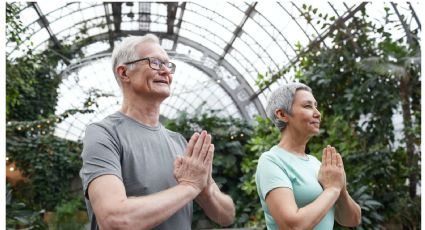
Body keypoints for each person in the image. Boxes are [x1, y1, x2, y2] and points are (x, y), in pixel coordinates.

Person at [80, 34, 235, 230]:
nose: (165, 71)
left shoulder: (179, 142)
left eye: (168, 65)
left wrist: (205, 191)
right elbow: (115, 220)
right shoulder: (104, 133)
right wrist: (189, 187)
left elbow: (226, 215)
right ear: (124, 73)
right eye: (154, 62)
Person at [255, 82, 361, 229]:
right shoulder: (271, 161)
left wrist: (341, 189)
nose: (317, 113)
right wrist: (332, 190)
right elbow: (292, 226)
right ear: (282, 114)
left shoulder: (317, 164)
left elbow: (353, 220)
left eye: (315, 106)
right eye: (307, 106)